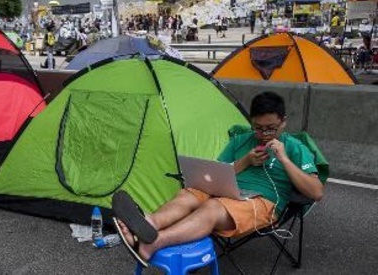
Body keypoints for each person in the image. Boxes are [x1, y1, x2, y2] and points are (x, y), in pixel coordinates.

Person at [112, 91, 324, 266]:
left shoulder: (296, 148)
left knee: (213, 207)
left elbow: (316, 192)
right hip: (228, 190)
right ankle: (150, 223)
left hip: (262, 202)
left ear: (283, 122)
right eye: (258, 128)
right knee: (189, 194)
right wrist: (246, 161)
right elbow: (216, 172)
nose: (264, 134)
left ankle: (153, 243)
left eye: (271, 128)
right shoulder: (241, 141)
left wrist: (285, 160)